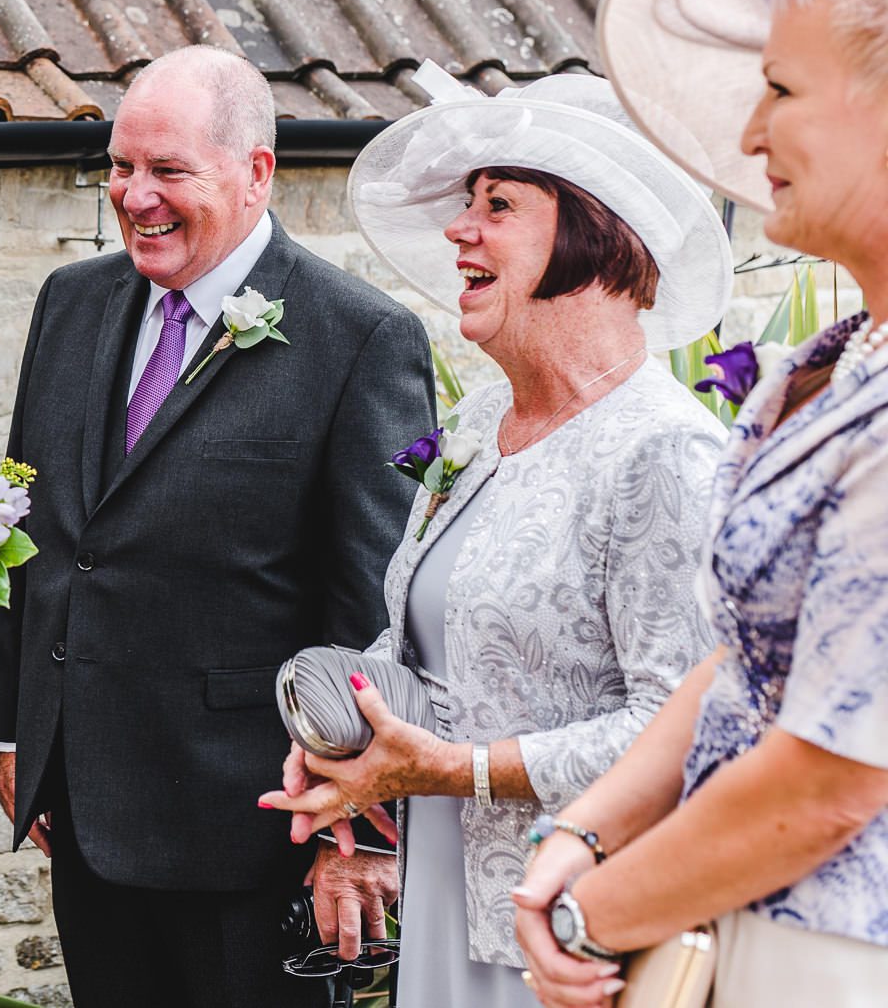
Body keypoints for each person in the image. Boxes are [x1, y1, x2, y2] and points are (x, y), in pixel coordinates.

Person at [259, 71, 731, 1008]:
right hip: (447, 888)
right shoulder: (478, 424)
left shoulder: (664, 451)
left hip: (568, 922)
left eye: (499, 205)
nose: (458, 230)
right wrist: (355, 747)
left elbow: (681, 730)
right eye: (467, 204)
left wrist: (453, 769)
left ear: (595, 234)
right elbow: (430, 640)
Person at [0, 45, 435, 1007]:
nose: (133, 195)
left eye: (167, 171)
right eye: (119, 166)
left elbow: (369, 615)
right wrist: (13, 731)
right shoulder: (70, 302)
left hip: (249, 830)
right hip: (84, 809)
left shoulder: (358, 339)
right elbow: (31, 533)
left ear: (256, 171)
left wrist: (349, 833)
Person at [513, 0, 888, 1007]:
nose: (748, 133)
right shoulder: (818, 368)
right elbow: (736, 661)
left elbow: (828, 776)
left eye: (777, 89)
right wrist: (579, 834)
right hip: (736, 924)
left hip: (841, 951)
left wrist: (592, 915)